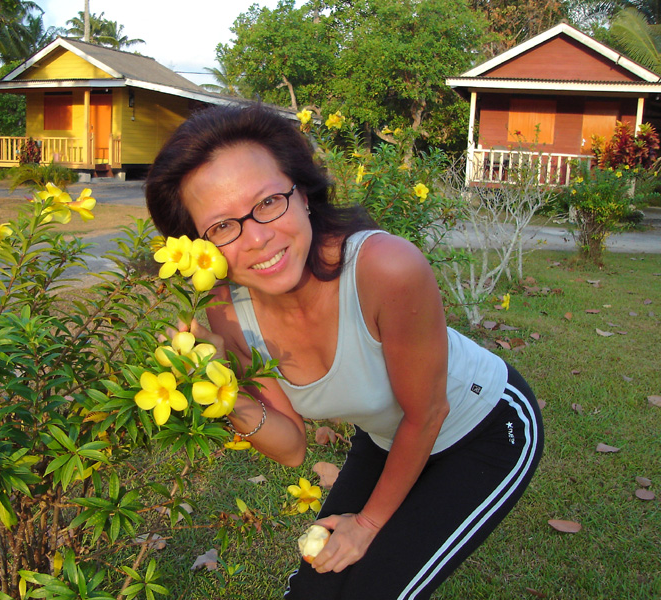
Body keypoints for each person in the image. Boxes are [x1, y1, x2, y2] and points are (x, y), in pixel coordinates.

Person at [144, 104, 544, 600]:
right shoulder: (227, 312)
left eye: (269, 202)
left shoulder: (386, 267)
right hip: (387, 438)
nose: (258, 237)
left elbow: (429, 411)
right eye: (223, 227)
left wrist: (369, 522)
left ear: (304, 193)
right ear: (198, 246)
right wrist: (216, 386)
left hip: (482, 427)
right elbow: (291, 447)